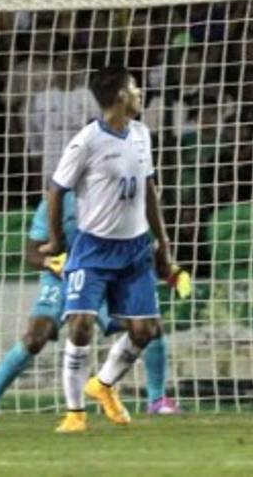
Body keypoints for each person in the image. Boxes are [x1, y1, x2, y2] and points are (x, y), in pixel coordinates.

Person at [44, 66, 178, 433]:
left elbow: (149, 190)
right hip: (93, 249)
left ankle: (102, 386)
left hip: (135, 248)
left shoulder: (140, 134)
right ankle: (75, 413)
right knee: (81, 324)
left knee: (145, 330)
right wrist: (57, 241)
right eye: (133, 87)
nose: (139, 93)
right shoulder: (87, 141)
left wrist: (162, 245)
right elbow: (56, 190)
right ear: (120, 95)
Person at [0, 191, 186, 416]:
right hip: (61, 279)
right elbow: (32, 253)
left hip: (107, 277)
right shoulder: (56, 201)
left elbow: (141, 242)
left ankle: (157, 400)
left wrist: (169, 268)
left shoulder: (119, 194)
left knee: (148, 327)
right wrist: (51, 263)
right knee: (37, 335)